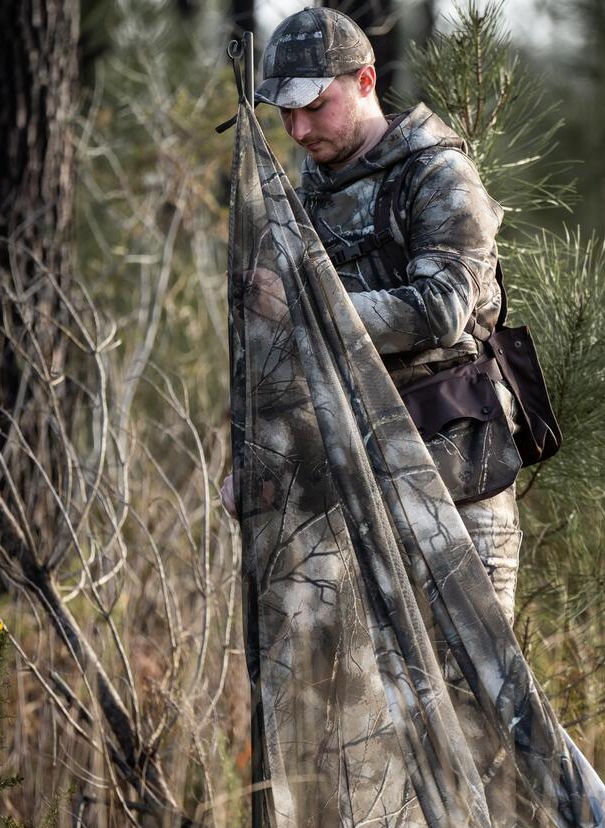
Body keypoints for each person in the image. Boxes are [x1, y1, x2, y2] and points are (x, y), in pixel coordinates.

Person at [221, 6, 522, 627]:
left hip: (454, 487)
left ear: (365, 81)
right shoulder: (301, 201)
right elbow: (285, 359)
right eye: (285, 111)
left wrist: (306, 306)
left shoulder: (438, 175)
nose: (299, 129)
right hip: (351, 489)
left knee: (483, 702)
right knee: (377, 715)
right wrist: (262, 461)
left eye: (315, 106)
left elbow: (440, 309)